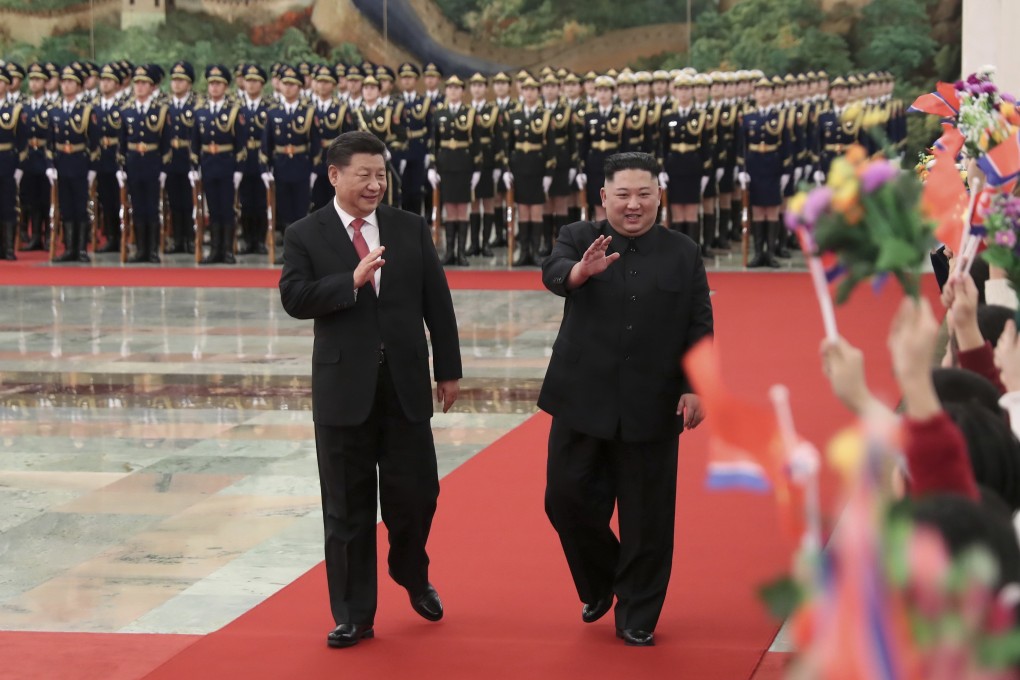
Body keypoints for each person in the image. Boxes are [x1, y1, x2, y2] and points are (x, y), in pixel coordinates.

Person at [278, 130, 462, 649]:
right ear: (335, 176)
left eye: (380, 174)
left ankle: (409, 567)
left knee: (418, 495)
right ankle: (354, 614)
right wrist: (349, 283)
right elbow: (293, 296)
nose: (375, 184)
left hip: (403, 386)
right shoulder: (305, 233)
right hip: (343, 390)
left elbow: (437, 302)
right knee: (345, 508)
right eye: (364, 175)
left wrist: (447, 369)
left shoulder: (408, 227)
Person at [539, 151, 714, 647]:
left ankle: (638, 611)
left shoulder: (682, 251)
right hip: (581, 398)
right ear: (604, 198)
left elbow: (699, 322)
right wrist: (580, 273)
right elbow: (553, 272)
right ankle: (600, 581)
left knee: (648, 516)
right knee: (565, 498)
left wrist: (695, 385)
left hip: (652, 402)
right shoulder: (578, 238)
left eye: (643, 194)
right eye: (622, 196)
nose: (633, 205)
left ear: (659, 195)